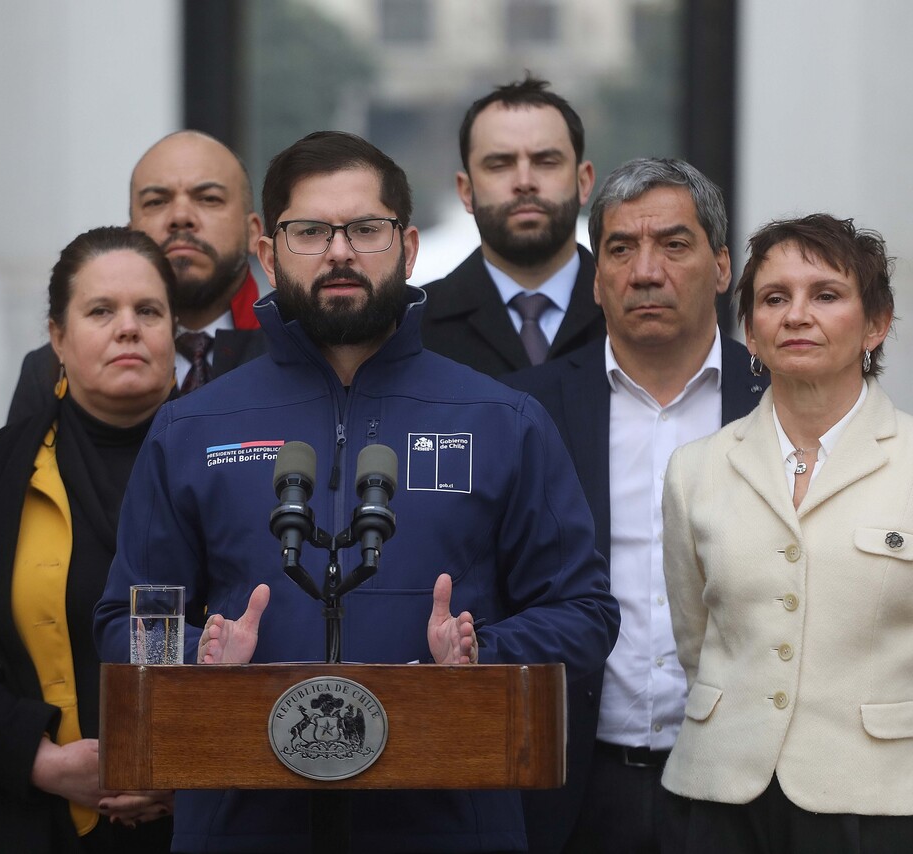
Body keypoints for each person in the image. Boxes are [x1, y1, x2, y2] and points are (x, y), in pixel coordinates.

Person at [93, 130, 619, 853]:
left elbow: (584, 613)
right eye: (310, 231)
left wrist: (480, 652)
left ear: (408, 247)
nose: (339, 252)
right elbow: (125, 620)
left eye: (365, 229)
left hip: (450, 826)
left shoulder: (502, 420)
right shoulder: (192, 425)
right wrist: (198, 655)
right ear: (267, 250)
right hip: (242, 827)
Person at [661, 214, 913, 852]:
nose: (797, 315)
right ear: (750, 330)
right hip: (722, 798)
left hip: (880, 801)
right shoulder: (695, 471)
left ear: (876, 324)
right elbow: (697, 641)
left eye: (825, 295)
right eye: (775, 299)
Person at [506, 159, 767, 853]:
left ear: (721, 267)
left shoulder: (776, 401)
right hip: (572, 785)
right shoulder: (524, 410)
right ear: (597, 279)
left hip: (744, 787)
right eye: (621, 249)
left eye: (674, 245)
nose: (646, 272)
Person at [0, 227, 176, 853]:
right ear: (57, 337)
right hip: (26, 821)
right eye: (100, 311)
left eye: (148, 311)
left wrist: (195, 770)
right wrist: (41, 760)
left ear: (174, 330)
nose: (128, 328)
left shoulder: (234, 466)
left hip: (207, 822)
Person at [8, 131, 266, 422]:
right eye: (156, 202)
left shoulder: (295, 353)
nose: (181, 216)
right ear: (130, 234)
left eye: (208, 198)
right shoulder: (52, 368)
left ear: (254, 233)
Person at [420, 75, 605, 377]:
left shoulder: (636, 314)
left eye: (546, 161)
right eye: (499, 164)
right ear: (466, 191)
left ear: (583, 182)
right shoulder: (409, 332)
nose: (524, 182)